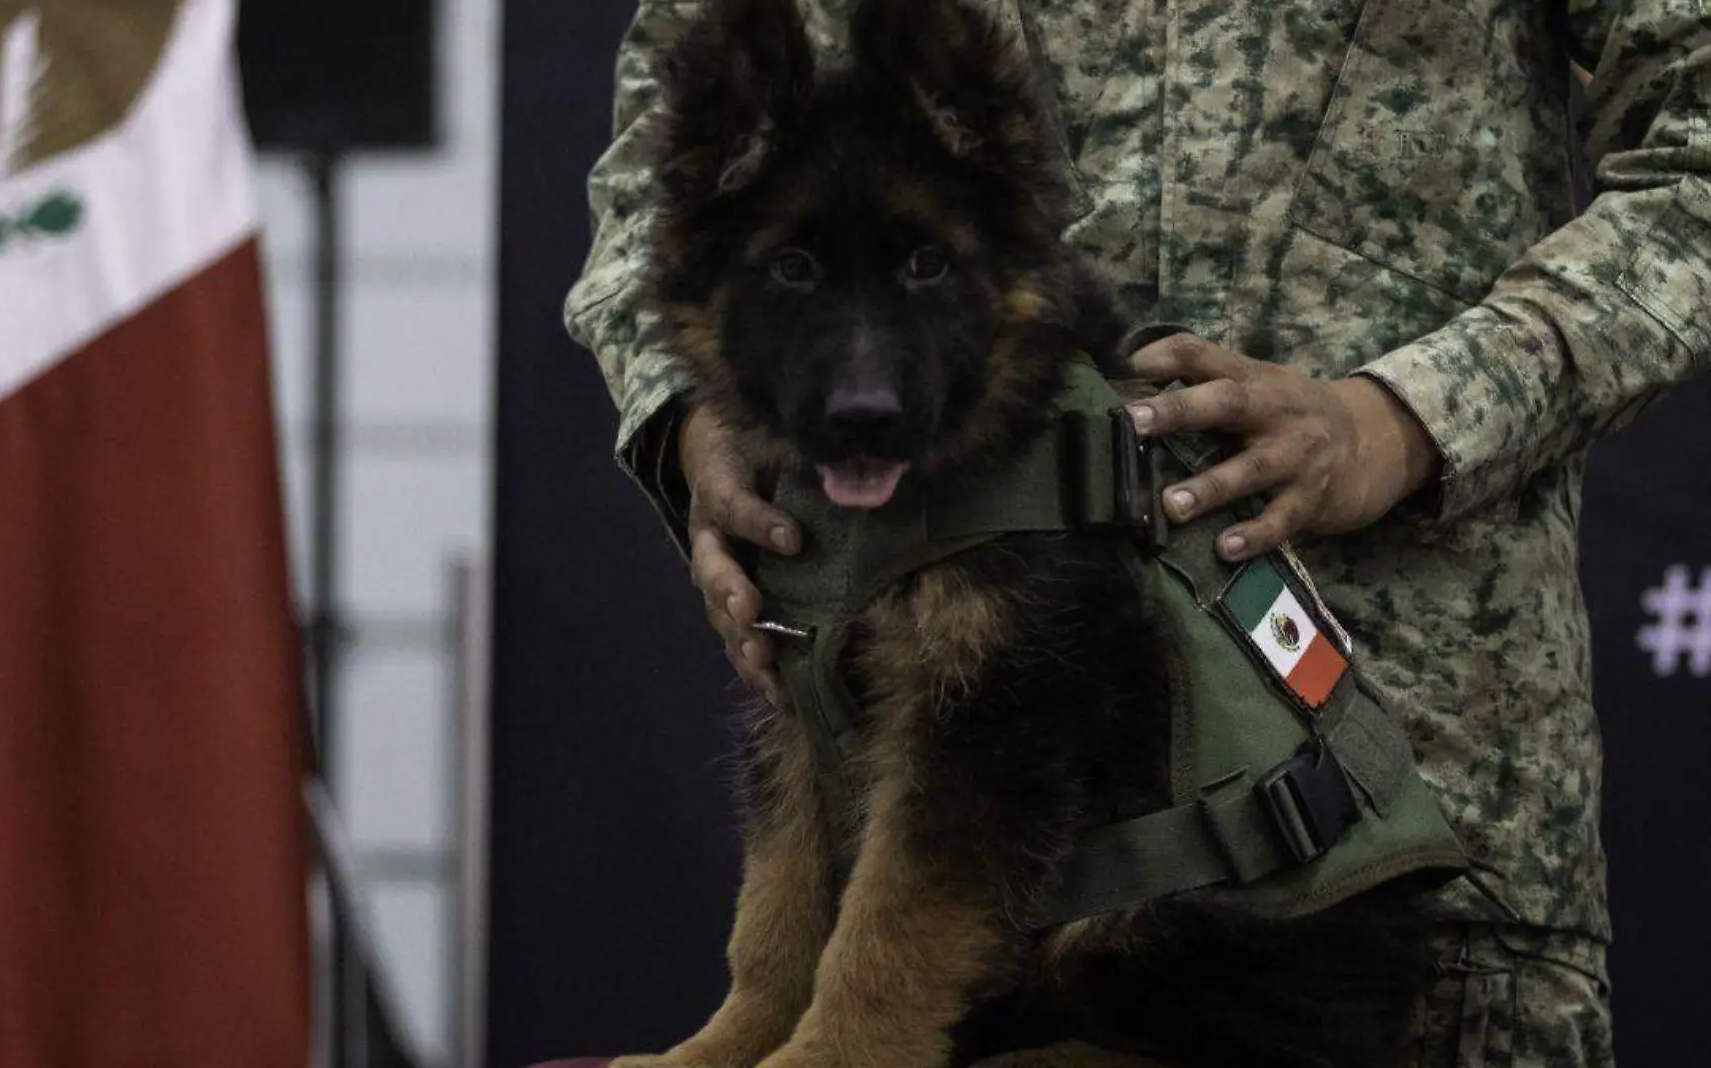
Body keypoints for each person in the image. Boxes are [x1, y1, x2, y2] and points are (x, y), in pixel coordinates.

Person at [563, 0, 1711, 1064]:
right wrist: (691, 418)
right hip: (901, 907)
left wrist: (1410, 417)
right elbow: (667, 166)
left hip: (1392, 867)